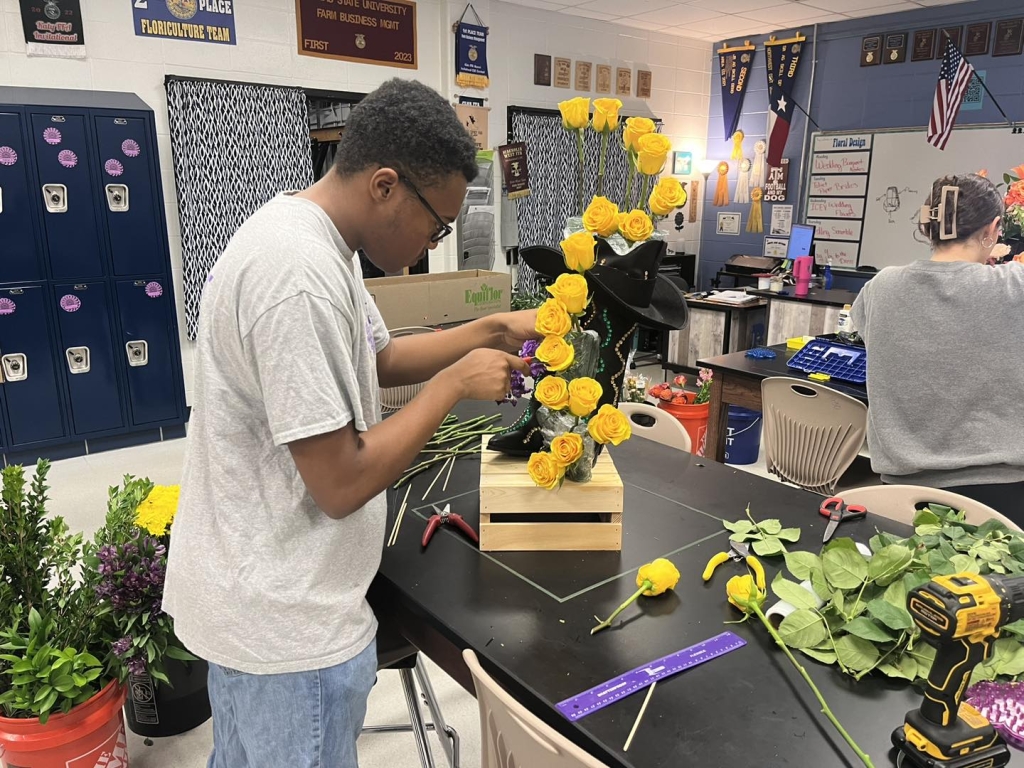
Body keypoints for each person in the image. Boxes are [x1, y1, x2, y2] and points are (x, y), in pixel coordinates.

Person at [163, 79, 536, 767]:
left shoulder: (312, 237)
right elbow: (340, 481)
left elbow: (381, 360)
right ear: (386, 186)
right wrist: (455, 384)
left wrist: (489, 328)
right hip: (286, 629)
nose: (433, 244)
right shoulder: (296, 274)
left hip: (260, 601)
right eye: (438, 225)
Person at [852, 173, 1024, 521]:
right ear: (992, 228)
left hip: (900, 498)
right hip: (999, 501)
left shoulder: (880, 287)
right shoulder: (1014, 286)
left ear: (928, 225)